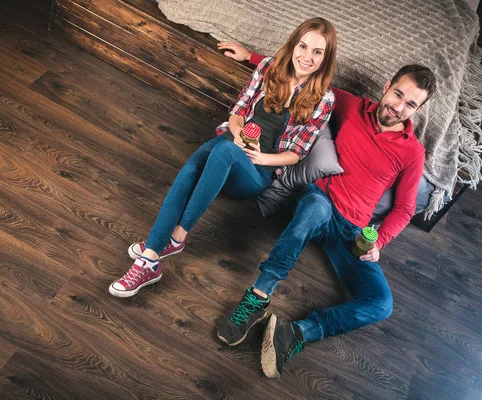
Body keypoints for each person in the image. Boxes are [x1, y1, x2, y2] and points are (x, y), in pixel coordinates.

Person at [216, 43, 436, 378]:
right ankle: (258, 297)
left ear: (417, 110)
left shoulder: (412, 152)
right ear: (386, 88)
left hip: (352, 231)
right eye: (397, 95)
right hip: (318, 204)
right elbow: (304, 80)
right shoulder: (350, 105)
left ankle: (298, 332)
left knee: (381, 303)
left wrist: (379, 241)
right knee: (316, 208)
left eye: (410, 104)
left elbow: (406, 208)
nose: (398, 107)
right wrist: (251, 57)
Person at [109, 18, 338, 297]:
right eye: (303, 46)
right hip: (230, 142)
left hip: (255, 171)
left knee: (224, 150)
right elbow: (238, 110)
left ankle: (178, 235)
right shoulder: (268, 68)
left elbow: (297, 153)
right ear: (293, 45)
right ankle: (150, 257)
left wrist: (260, 158)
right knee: (193, 168)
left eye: (317, 52)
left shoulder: (323, 99)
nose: (307, 56)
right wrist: (238, 132)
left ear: (326, 59)